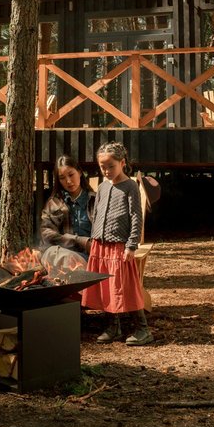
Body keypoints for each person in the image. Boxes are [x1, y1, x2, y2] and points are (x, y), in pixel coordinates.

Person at [82, 142, 153, 346]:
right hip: (100, 245)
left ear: (122, 163)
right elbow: (96, 214)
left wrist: (131, 245)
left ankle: (142, 329)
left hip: (120, 246)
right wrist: (94, 238)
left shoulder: (130, 186)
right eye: (102, 167)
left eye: (110, 166)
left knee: (126, 287)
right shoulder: (103, 187)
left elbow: (135, 217)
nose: (106, 170)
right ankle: (114, 327)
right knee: (106, 286)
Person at [40, 155, 96, 269]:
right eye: (62, 178)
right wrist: (79, 241)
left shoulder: (95, 200)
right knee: (53, 254)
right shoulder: (54, 203)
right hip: (61, 253)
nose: (68, 181)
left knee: (69, 261)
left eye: (71, 175)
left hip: (90, 257)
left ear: (80, 172)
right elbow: (46, 233)